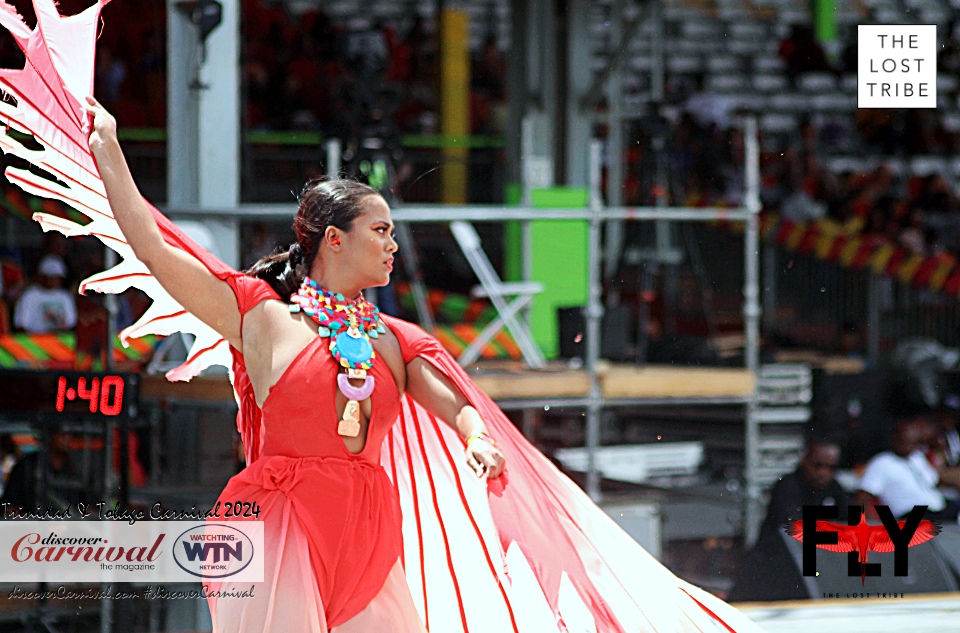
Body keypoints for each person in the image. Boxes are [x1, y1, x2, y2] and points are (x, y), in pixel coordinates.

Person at [80, 91, 761, 632]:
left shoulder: (394, 341)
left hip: (366, 531)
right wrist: (110, 151)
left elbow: (460, 404)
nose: (392, 245)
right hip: (279, 523)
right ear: (334, 241)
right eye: (380, 231)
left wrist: (479, 439)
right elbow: (157, 250)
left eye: (394, 233)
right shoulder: (261, 316)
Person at [728, 439, 848, 602]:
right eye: (817, 465)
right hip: (771, 566)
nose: (823, 473)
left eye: (830, 468)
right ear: (804, 460)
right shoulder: (788, 486)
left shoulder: (834, 488)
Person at [855, 417, 960, 522]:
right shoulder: (882, 462)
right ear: (894, 439)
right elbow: (862, 497)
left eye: (913, 442)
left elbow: (934, 481)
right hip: (911, 516)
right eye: (904, 442)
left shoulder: (917, 458)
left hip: (938, 510)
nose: (908, 447)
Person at [13, 255, 77, 333]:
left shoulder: (65, 296)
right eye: (49, 277)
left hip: (59, 339)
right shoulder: (29, 295)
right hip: (35, 340)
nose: (52, 280)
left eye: (56, 277)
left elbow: (71, 323)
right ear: (41, 276)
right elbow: (21, 325)